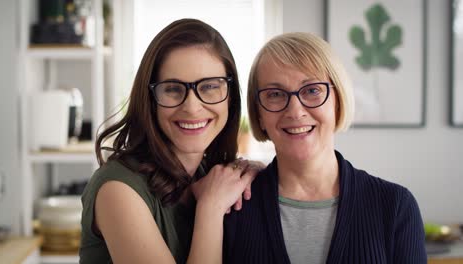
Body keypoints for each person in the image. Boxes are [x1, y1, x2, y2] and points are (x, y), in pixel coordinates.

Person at [223, 32, 427, 264]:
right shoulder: (233, 207)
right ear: (259, 115)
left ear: (337, 101)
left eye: (311, 90)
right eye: (275, 94)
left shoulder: (395, 206)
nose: (295, 111)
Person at [80, 18, 260, 264]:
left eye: (209, 87)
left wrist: (253, 172)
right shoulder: (118, 190)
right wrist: (210, 209)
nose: (192, 107)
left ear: (230, 96)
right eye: (173, 89)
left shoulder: (206, 174)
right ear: (150, 99)